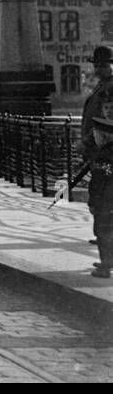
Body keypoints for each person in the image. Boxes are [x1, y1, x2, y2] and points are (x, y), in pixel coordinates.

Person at [80, 46, 113, 277]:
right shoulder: (103, 86)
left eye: (104, 64)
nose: (99, 68)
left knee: (103, 210)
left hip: (106, 157)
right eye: (97, 65)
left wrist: (87, 143)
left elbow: (106, 125)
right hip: (101, 157)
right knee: (102, 208)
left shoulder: (110, 90)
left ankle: (106, 264)